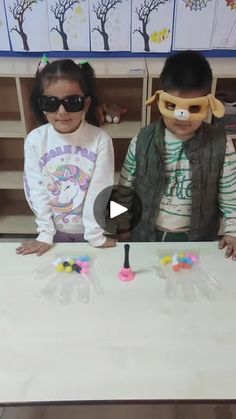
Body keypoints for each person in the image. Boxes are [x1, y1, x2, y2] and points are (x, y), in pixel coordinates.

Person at [117, 50, 236, 260]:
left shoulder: (221, 143)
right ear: (159, 99)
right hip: (147, 238)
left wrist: (233, 231)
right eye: (173, 106)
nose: (183, 116)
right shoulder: (142, 140)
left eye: (194, 107)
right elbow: (125, 187)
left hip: (198, 240)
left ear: (209, 103)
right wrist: (121, 226)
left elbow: (230, 193)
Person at [16, 57, 116, 256]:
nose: (61, 111)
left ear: (86, 103)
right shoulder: (35, 140)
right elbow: (35, 188)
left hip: (93, 232)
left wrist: (95, 235)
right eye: (50, 102)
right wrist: (45, 233)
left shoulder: (100, 140)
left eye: (72, 102)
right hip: (54, 233)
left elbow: (100, 188)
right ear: (41, 103)